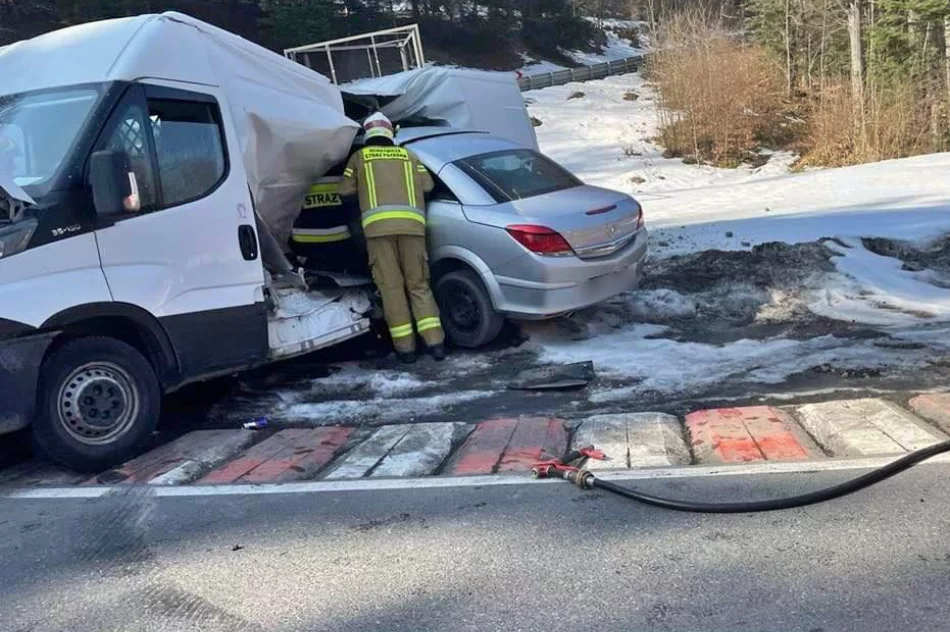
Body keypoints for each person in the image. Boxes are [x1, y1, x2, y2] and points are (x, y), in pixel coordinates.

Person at [339, 112, 445, 363]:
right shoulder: (409, 156)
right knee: (419, 285)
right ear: (391, 132)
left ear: (367, 133)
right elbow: (428, 187)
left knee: (392, 289)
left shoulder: (359, 158)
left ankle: (406, 349)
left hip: (378, 232)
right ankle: (435, 344)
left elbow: (344, 191)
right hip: (413, 230)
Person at [290, 164, 367, 275]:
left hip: (303, 243)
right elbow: (354, 213)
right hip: (340, 241)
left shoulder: (294, 177)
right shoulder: (344, 177)